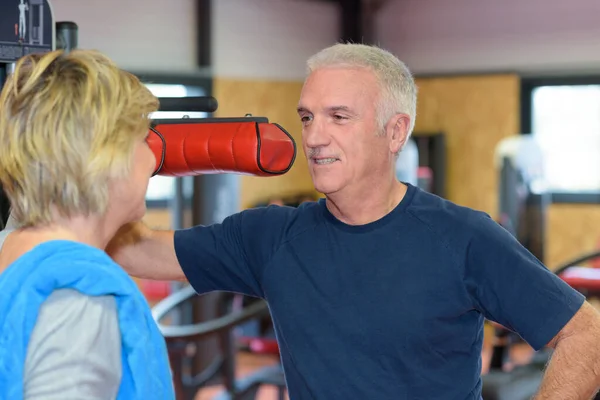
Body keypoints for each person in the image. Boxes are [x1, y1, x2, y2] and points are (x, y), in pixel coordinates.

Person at [107, 43, 600, 399]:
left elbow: (586, 334)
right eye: (307, 117)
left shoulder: (463, 238)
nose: (315, 137)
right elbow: (137, 250)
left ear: (395, 132)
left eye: (338, 117)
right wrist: (106, 170)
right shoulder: (270, 236)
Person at [0, 49, 174, 399]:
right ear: (106, 158)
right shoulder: (78, 295)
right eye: (142, 140)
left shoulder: (17, 256)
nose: (152, 157)